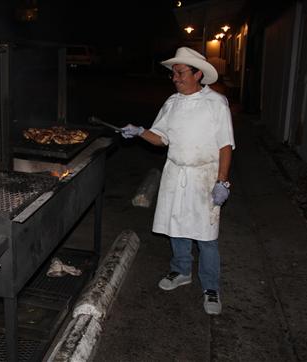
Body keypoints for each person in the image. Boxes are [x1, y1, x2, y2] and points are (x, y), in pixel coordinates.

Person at [121, 47, 235, 315]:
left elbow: (225, 146)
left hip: (204, 175)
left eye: (180, 73)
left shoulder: (216, 103)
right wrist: (140, 132)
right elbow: (161, 138)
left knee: (206, 235)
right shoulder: (172, 103)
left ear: (197, 74)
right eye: (173, 73)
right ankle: (181, 271)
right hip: (176, 172)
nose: (175, 78)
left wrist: (222, 182)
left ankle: (210, 287)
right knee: (177, 227)